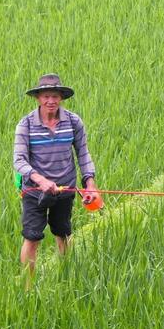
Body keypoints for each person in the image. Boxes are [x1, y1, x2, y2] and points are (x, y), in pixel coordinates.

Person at [13, 73, 99, 290]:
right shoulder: (26, 124)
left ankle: (67, 279)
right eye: (45, 96)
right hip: (35, 191)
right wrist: (40, 180)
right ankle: (27, 288)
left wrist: (89, 184)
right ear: (38, 98)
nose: (50, 101)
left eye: (54, 96)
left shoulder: (73, 121)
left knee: (63, 233)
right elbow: (19, 160)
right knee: (32, 237)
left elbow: (83, 154)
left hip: (65, 188)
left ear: (61, 97)